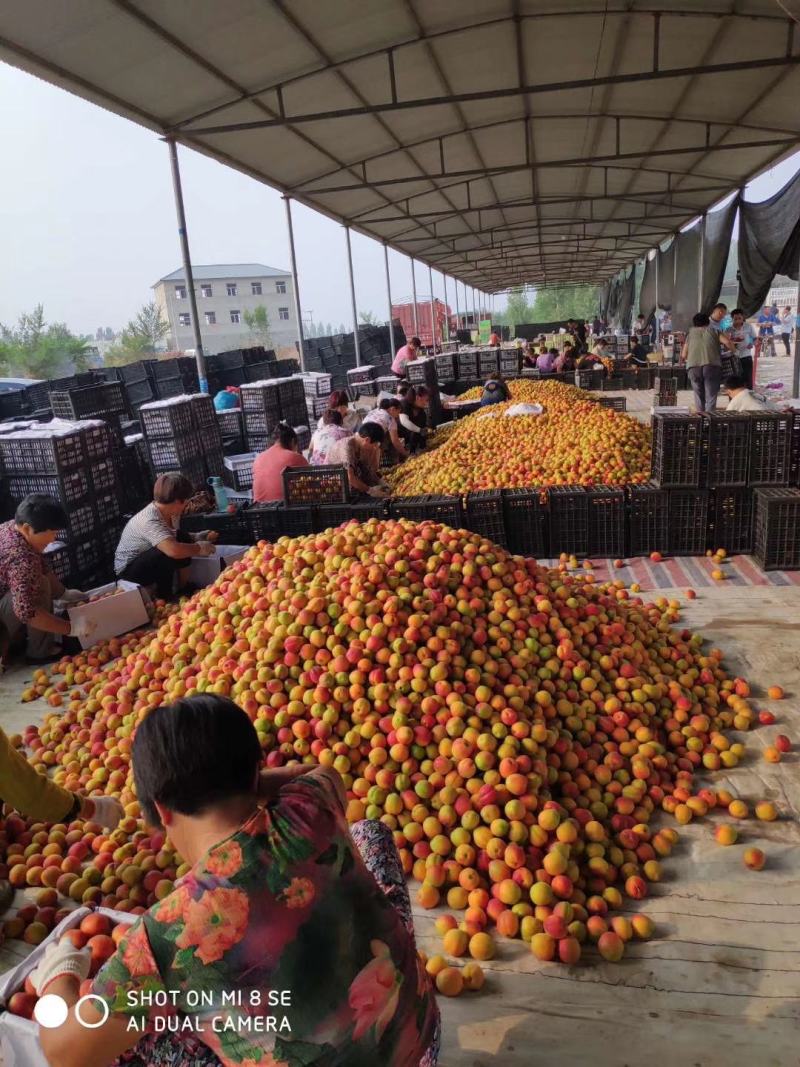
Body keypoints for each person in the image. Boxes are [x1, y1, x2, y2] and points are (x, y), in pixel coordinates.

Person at [34, 694, 439, 1067]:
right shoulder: (311, 806)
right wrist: (240, 782)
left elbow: (64, 1053)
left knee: (149, 1030)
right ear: (255, 775)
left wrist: (60, 974)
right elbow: (323, 770)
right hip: (422, 1042)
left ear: (161, 810)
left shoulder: (163, 938)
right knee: (369, 832)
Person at [0, 495, 96, 664]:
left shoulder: (13, 528)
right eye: (51, 533)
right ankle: (40, 652)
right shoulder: (21, 558)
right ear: (28, 528)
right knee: (40, 585)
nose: (54, 539)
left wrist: (63, 593)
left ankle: (17, 641)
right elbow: (27, 612)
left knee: (38, 577)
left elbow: (41, 565)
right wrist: (71, 628)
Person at [115, 473, 218, 599]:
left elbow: (174, 535)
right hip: (129, 571)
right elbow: (173, 550)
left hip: (150, 557)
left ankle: (181, 588)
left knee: (182, 540)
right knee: (169, 551)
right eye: (186, 500)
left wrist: (196, 537)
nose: (187, 504)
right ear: (178, 501)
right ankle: (165, 596)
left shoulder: (171, 514)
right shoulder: (149, 519)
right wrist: (199, 548)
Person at [681, 311, 735, 413]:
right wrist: (734, 351)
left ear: (694, 323)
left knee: (698, 395)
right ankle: (709, 421)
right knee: (711, 396)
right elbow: (728, 342)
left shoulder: (690, 334)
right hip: (712, 366)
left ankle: (701, 420)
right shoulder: (715, 331)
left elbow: (683, 355)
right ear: (708, 322)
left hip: (693, 367)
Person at [251, 423, 310, 504]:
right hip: (287, 510)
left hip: (259, 510)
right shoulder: (295, 457)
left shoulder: (258, 459)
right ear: (293, 441)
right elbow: (310, 484)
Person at [327, 422, 389, 497]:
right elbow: (350, 478)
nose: (375, 447)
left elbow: (368, 470)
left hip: (352, 487)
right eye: (375, 444)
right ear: (367, 440)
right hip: (335, 488)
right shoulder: (347, 447)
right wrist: (370, 490)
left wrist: (380, 482)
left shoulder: (361, 446)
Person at [728, 308, 757, 388]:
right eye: (735, 319)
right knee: (736, 379)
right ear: (732, 319)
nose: (737, 321)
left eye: (739, 318)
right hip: (734, 357)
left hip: (746, 355)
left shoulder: (748, 326)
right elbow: (727, 342)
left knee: (748, 378)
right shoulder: (729, 329)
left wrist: (752, 344)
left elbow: (754, 338)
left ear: (743, 318)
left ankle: (748, 395)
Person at [398, 385, 430, 453]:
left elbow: (423, 426)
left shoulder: (420, 410)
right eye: (426, 400)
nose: (427, 403)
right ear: (418, 398)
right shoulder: (404, 404)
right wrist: (419, 430)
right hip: (401, 436)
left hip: (413, 437)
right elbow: (404, 421)